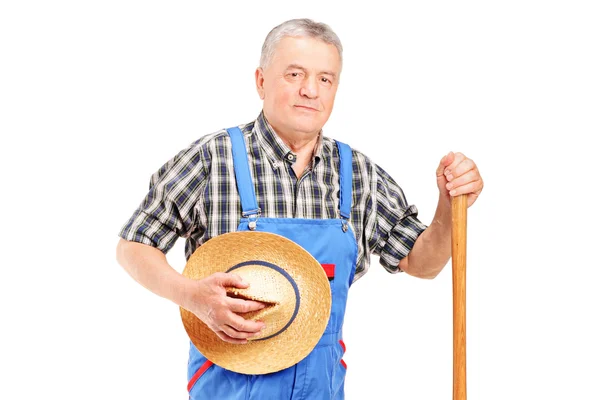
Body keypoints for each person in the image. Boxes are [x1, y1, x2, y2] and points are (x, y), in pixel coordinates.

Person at [116, 18, 483, 399]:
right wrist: (190, 295)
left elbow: (422, 263)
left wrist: (448, 204)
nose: (310, 90)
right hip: (229, 386)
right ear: (261, 81)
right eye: (294, 74)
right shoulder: (212, 159)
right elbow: (133, 246)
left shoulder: (358, 173)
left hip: (321, 388)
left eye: (325, 79)